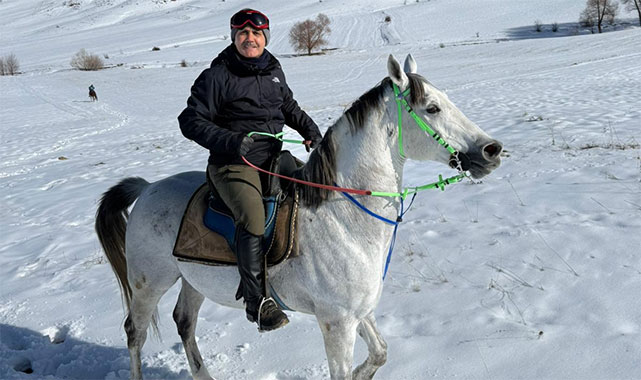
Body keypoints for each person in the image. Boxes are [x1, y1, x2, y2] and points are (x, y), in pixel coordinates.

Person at [178, 8, 322, 331]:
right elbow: (189, 120)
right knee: (253, 216)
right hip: (232, 164)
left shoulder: (273, 70)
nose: (250, 38)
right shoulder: (218, 75)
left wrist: (311, 131)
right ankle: (257, 302)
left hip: (271, 159)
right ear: (234, 38)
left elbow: (288, 106)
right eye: (243, 33)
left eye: (256, 34)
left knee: (311, 186)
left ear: (265, 38)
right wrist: (230, 140)